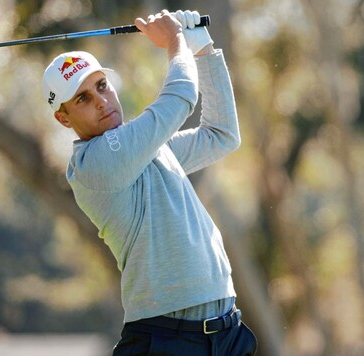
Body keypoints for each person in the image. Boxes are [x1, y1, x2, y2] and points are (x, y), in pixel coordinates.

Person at [42, 9, 257, 355]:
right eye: (83, 98)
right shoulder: (92, 164)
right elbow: (179, 99)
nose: (100, 101)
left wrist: (201, 45)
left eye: (101, 85)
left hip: (226, 330)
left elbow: (222, 135)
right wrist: (175, 41)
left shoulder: (148, 148)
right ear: (63, 118)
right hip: (167, 338)